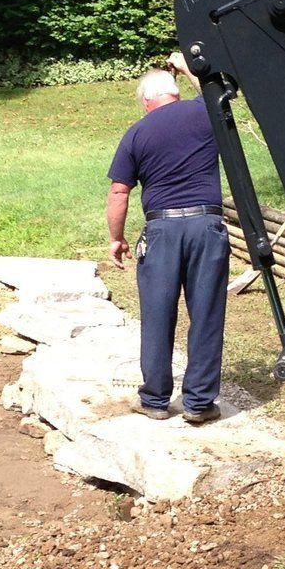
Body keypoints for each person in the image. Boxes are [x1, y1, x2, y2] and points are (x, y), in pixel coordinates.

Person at [105, 60, 228, 424]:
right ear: (174, 92)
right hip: (207, 225)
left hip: (162, 231)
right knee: (206, 314)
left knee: (157, 314)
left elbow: (118, 191)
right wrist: (187, 65)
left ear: (146, 100)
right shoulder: (204, 112)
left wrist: (116, 238)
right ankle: (199, 403)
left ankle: (156, 400)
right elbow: (216, 92)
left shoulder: (137, 133)